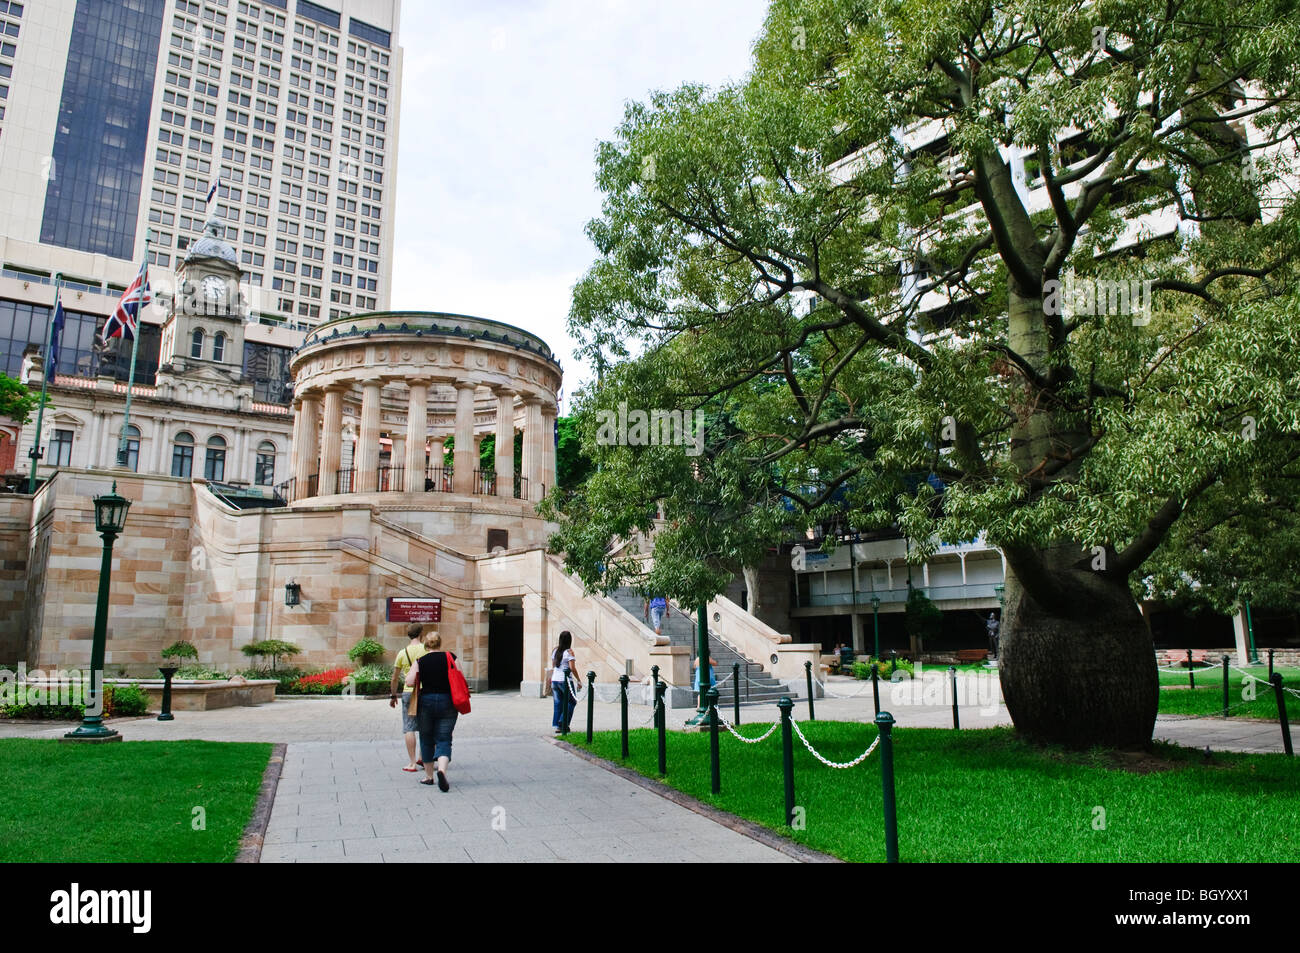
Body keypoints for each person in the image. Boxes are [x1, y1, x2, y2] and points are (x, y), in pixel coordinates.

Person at [404, 631, 458, 791]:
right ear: (440, 643)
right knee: (444, 738)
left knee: (426, 738)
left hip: (426, 701)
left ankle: (429, 777)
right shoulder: (451, 657)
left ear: (426, 644)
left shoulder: (420, 661)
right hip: (448, 701)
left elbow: (409, 681)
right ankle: (442, 769)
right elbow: (460, 675)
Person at [388, 623, 428, 772]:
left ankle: (412, 763)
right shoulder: (427, 649)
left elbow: (395, 678)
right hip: (425, 691)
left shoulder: (402, 653)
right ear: (421, 633)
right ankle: (423, 758)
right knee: (426, 725)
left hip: (408, 691)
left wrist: (393, 695)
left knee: (409, 727)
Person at [550, 630, 583, 735]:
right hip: (565, 680)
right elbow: (572, 668)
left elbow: (553, 665)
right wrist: (578, 680)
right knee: (572, 701)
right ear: (570, 640)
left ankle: (558, 724)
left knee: (558, 703)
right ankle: (563, 723)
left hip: (555, 679)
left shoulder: (555, 651)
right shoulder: (569, 652)